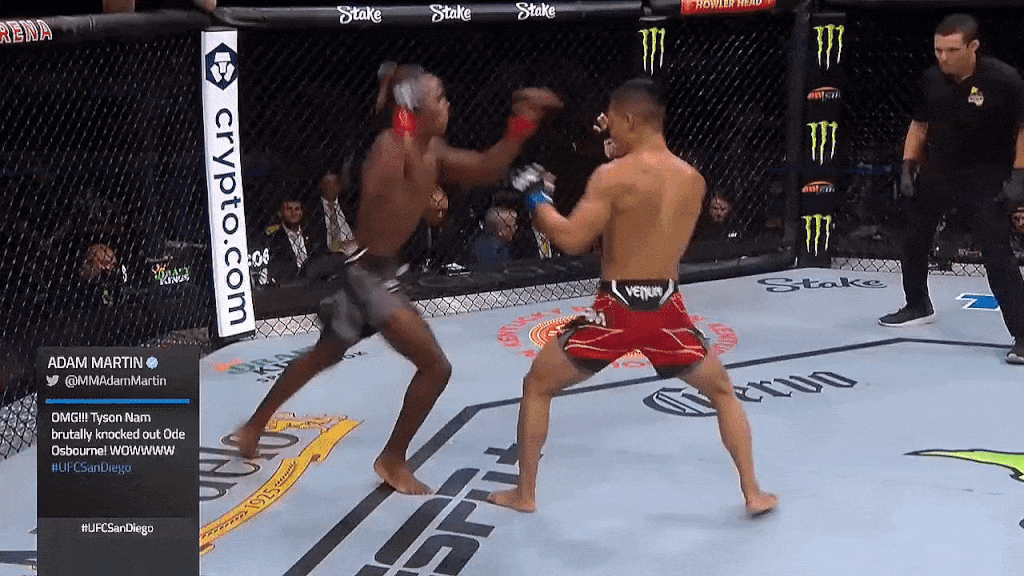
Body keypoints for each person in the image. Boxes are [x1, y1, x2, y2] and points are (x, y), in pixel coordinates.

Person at [235, 62, 562, 494]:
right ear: (415, 110)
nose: (448, 104)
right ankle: (391, 458)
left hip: (374, 272)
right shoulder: (390, 148)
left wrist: (522, 123)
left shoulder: (430, 149)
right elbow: (380, 188)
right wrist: (401, 127)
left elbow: (485, 167)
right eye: (439, 98)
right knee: (436, 367)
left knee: (324, 354)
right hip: (368, 279)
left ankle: (253, 426)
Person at [487, 78, 777, 516]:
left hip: (617, 310)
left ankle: (525, 493)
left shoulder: (612, 178)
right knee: (721, 391)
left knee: (538, 384)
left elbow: (571, 239)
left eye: (612, 121)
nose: (607, 129)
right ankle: (753, 492)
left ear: (627, 119)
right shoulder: (693, 180)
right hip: (666, 308)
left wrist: (536, 199)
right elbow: (652, 221)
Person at [879, 14, 1024, 365]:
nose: (943, 57)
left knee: (996, 254)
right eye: (938, 50)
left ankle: (1023, 335)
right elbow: (919, 124)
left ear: (973, 47)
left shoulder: (1004, 79)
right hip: (940, 168)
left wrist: (1019, 177)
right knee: (914, 236)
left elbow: (1023, 130)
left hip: (986, 173)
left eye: (951, 50)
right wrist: (908, 164)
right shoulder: (932, 79)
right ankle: (917, 304)